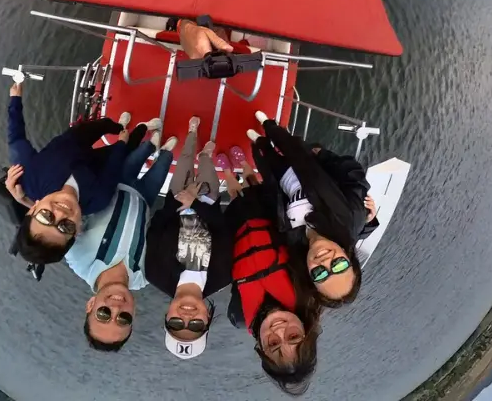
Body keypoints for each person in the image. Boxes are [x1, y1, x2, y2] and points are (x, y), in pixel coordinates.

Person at [4, 79, 156, 267]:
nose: (60, 213)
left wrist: (15, 99)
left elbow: (16, 138)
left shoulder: (29, 177)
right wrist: (122, 144)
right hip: (97, 163)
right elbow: (113, 169)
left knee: (103, 125)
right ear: (76, 231)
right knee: (127, 148)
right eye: (65, 226)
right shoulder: (97, 200)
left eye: (46, 216)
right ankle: (139, 129)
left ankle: (117, 126)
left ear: (33, 209)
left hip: (75, 138)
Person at [66, 128, 180, 351]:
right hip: (146, 198)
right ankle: (163, 149)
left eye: (104, 313)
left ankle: (150, 142)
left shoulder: (76, 256)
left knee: (140, 153)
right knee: (166, 160)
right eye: (124, 318)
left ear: (90, 305)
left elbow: (70, 213)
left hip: (118, 182)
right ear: (134, 314)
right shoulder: (148, 275)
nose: (116, 308)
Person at [246, 112, 370, 308]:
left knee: (265, 152)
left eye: (320, 274)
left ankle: (260, 141)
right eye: (339, 265)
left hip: (279, 177)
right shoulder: (351, 216)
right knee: (282, 137)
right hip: (305, 160)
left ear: (310, 276)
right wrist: (324, 156)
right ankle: (268, 124)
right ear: (349, 257)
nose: (326, 262)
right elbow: (353, 176)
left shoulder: (293, 246)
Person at [224, 165, 320, 395]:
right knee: (252, 181)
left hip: (237, 229)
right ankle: (247, 163)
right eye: (293, 336)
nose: (279, 330)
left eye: (273, 343)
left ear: (261, 348)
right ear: (306, 333)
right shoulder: (308, 291)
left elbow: (234, 282)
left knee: (234, 193)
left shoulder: (239, 316)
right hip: (269, 215)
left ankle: (227, 168)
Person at [145, 116, 232, 360]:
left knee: (183, 160)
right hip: (207, 201)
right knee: (205, 165)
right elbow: (223, 230)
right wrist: (195, 202)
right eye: (195, 326)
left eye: (175, 324)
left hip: (176, 198)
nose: (186, 318)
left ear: (166, 316)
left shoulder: (154, 272)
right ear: (207, 319)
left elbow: (156, 228)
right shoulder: (224, 275)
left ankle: (192, 132)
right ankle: (204, 155)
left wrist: (178, 202)